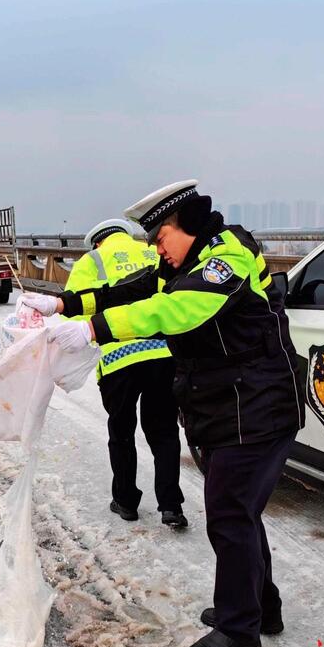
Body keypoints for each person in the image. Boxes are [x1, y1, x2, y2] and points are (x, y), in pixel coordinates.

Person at [23, 180, 304, 647]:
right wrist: (66, 305)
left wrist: (93, 331)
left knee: (230, 514)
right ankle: (261, 608)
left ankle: (240, 628)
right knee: (241, 512)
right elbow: (133, 290)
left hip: (258, 407)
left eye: (161, 237)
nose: (156, 249)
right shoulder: (185, 262)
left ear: (188, 227)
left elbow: (176, 310)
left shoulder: (225, 259)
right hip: (225, 406)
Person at [65, 218, 187, 528]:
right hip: (162, 354)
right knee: (163, 431)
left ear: (96, 242)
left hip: (119, 359)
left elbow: (77, 312)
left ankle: (126, 501)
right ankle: (171, 506)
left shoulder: (91, 261)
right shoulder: (150, 252)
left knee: (121, 432)